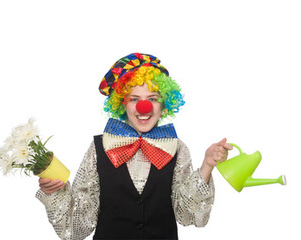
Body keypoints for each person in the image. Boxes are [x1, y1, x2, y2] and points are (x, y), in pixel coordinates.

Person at [36, 53, 232, 239]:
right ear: (122, 104)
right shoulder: (99, 148)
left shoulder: (176, 148)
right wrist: (55, 192)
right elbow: (79, 223)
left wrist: (207, 164)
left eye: (153, 99)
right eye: (134, 99)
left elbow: (188, 215)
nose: (143, 107)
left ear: (164, 105)